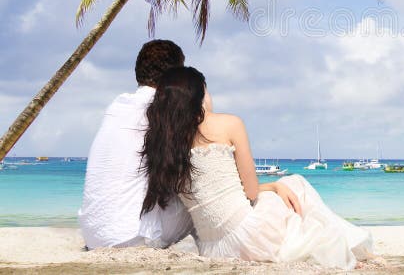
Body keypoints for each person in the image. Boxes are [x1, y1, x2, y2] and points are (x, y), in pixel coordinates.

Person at [140, 66, 373, 269]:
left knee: (284, 187)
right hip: (248, 235)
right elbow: (251, 192)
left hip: (212, 247)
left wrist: (271, 186)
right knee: (296, 183)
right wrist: (273, 187)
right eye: (206, 90)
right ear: (198, 96)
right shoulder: (229, 123)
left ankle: (347, 245)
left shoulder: (163, 145)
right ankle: (352, 245)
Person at [79, 40, 194, 249]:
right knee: (200, 201)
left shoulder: (118, 104)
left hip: (93, 233)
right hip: (128, 236)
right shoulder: (163, 109)